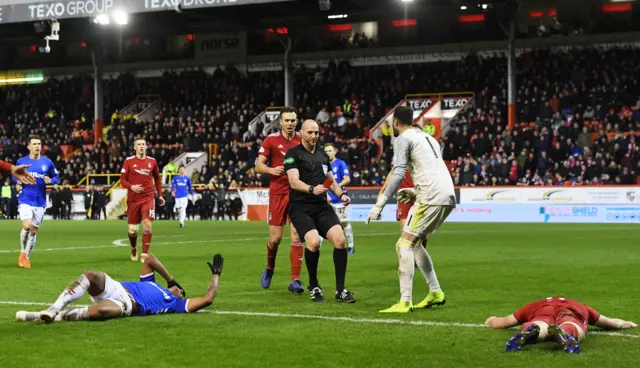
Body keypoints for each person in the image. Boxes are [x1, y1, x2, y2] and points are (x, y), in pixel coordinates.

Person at [366, 106, 455, 313]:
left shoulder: (402, 139)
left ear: (395, 122)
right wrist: (415, 191)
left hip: (431, 196)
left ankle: (405, 301)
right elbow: (432, 170)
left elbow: (398, 172)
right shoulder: (428, 138)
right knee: (414, 244)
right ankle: (435, 292)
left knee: (403, 245)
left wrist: (380, 204)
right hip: (447, 194)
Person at [16, 253, 224, 323]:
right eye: (180, 289)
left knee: (103, 311)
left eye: (182, 292)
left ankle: (47, 316)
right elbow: (150, 259)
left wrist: (216, 275)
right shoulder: (150, 282)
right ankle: (53, 308)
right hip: (116, 288)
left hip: (124, 305)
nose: (181, 291)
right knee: (91, 275)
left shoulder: (177, 304)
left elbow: (207, 299)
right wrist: (170, 280)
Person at [284, 120, 355, 303]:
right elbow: (293, 181)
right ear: (301, 133)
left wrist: (342, 194)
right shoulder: (293, 154)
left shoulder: (323, 155)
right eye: (310, 132)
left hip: (322, 207)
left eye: (316, 132)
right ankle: (314, 285)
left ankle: (341, 290)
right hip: (301, 207)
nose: (314, 136)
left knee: (340, 240)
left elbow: (330, 180)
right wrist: (311, 189)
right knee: (314, 243)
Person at [378, 159, 446, 310]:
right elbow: (394, 170)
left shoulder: (414, 143)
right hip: (405, 193)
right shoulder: (404, 146)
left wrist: (383, 197)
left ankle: (406, 301)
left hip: (421, 193)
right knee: (410, 242)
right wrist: (382, 192)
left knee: (407, 243)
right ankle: (435, 291)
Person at [255, 106, 305, 294]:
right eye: (287, 120)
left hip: (297, 194)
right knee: (275, 239)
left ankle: (296, 280)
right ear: (281, 122)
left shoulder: (303, 139)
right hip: (277, 193)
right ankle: (269, 268)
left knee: (296, 236)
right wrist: (270, 170)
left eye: (293, 120)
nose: (290, 123)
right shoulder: (271, 140)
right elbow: (258, 166)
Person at [485, 296, 638, 354]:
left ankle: (533, 330)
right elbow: (610, 323)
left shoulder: (535, 304)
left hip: (542, 310)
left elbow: (503, 322)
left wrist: (491, 321)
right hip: (571, 311)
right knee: (571, 323)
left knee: (540, 322)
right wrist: (626, 324)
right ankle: (566, 332)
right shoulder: (580, 305)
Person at [14, 136, 59, 269]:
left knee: (33, 231)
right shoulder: (22, 161)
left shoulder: (47, 162)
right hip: (25, 198)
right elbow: (13, 174)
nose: (37, 146)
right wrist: (18, 180)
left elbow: (56, 176)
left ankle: (26, 257)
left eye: (39, 144)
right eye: (34, 144)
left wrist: (51, 180)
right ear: (29, 147)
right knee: (27, 226)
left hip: (39, 201)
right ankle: (23, 252)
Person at [120, 137, 165, 263]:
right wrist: (132, 186)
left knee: (147, 226)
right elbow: (122, 180)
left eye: (143, 144)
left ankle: (144, 253)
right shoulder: (128, 161)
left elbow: (158, 178)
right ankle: (133, 247)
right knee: (133, 230)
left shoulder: (152, 161)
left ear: (146, 147)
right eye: (139, 144)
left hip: (148, 197)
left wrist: (160, 195)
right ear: (134, 147)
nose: (141, 146)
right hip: (133, 200)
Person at [323, 143, 355, 255]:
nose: (328, 153)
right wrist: (326, 191)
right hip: (328, 200)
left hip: (340, 200)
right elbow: (325, 182)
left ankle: (351, 246)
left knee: (344, 222)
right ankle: (318, 246)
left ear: (334, 151)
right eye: (326, 151)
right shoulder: (324, 166)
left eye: (330, 150)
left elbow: (347, 179)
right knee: (323, 222)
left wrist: (336, 186)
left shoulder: (340, 163)